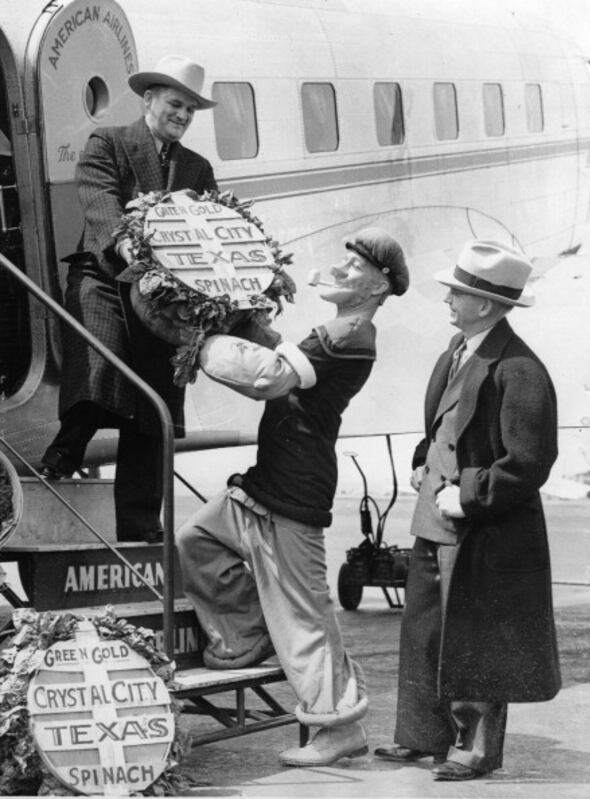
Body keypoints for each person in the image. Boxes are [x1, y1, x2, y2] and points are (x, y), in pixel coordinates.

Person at [176, 228, 409, 766]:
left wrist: (205, 340)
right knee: (198, 542)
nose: (342, 270)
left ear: (379, 287)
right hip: (265, 482)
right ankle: (246, 638)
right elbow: (283, 354)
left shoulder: (352, 332)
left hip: (294, 491)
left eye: (356, 267)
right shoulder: (335, 327)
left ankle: (339, 727)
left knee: (303, 614)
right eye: (345, 260)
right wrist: (251, 325)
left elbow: (273, 378)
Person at [374, 239, 561, 780]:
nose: (448, 300)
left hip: (482, 530)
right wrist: (421, 462)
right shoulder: (457, 350)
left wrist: (469, 494)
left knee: (476, 637)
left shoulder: (520, 368)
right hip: (437, 521)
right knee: (425, 630)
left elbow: (528, 463)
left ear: (484, 303)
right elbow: (443, 426)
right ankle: (423, 737)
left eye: (456, 293)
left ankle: (474, 749)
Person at [40, 56, 218, 542]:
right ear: (148, 100)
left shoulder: (197, 169)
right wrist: (129, 248)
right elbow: (100, 204)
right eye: (175, 105)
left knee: (154, 399)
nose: (181, 115)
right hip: (104, 275)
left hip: (162, 296)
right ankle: (66, 450)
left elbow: (212, 232)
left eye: (190, 110)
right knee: (103, 354)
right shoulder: (110, 143)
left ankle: (141, 526)